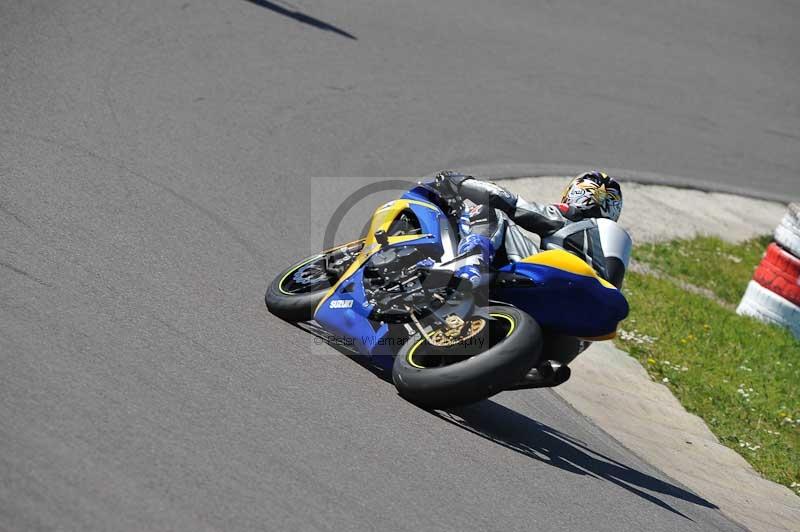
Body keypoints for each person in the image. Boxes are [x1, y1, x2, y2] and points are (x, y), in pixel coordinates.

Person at [432, 170, 624, 287]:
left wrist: (460, 182)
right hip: (580, 330)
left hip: (553, 281)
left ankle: (469, 267)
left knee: (490, 211)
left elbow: (509, 202)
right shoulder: (615, 247)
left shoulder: (569, 217)